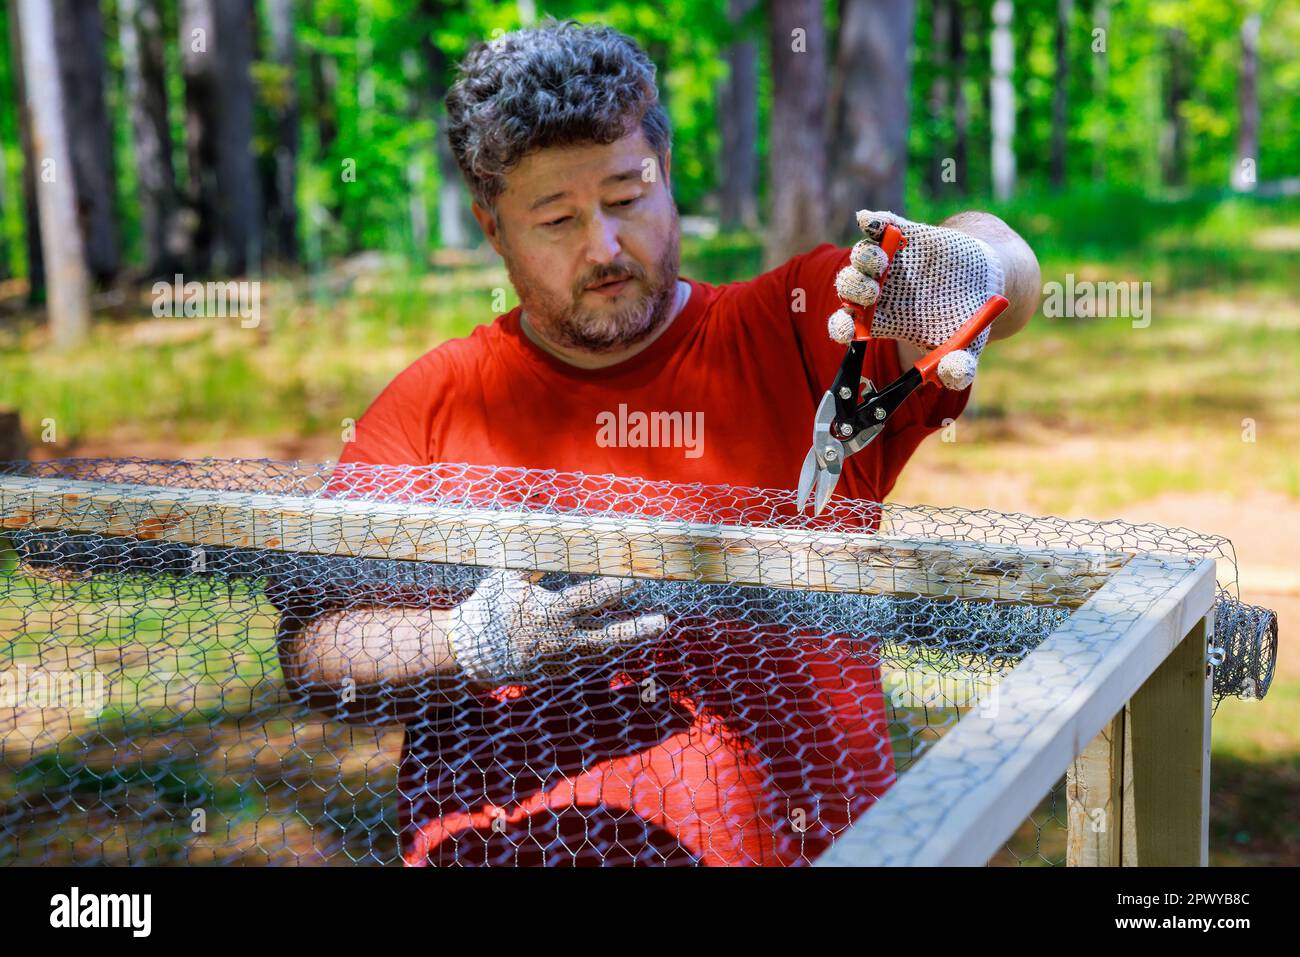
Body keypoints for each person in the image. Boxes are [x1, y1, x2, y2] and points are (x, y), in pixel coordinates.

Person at [273, 18, 1040, 866]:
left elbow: (1005, 258)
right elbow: (314, 651)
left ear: (667, 177)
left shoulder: (797, 327)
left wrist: (965, 270)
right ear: (494, 231)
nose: (603, 247)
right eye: (557, 219)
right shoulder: (435, 403)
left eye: (627, 198)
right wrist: (465, 644)